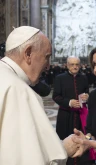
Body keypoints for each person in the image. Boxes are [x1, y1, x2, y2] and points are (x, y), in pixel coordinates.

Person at [0, 26, 79, 165]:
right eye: (46, 57)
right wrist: (63, 149)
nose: (48, 66)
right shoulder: (18, 90)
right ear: (28, 53)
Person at [52, 56, 91, 165]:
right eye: (72, 64)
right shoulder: (60, 78)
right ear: (67, 65)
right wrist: (69, 102)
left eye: (77, 64)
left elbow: (87, 92)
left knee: (81, 140)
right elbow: (55, 96)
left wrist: (87, 97)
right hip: (66, 115)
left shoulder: (83, 78)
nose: (75, 67)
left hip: (80, 115)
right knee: (65, 142)